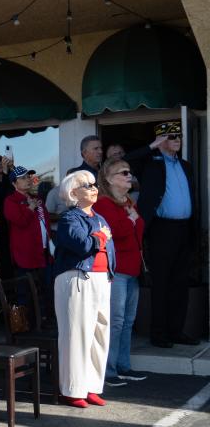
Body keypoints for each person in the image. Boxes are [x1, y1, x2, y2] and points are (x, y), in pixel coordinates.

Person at [124, 121, 198, 347]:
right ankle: (159, 334)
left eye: (179, 136)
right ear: (160, 140)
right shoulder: (150, 163)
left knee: (180, 283)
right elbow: (125, 161)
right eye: (171, 136)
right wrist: (153, 146)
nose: (177, 140)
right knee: (162, 283)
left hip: (184, 229)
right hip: (161, 230)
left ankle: (176, 331)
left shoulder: (185, 165)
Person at [53, 170, 114, 408]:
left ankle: (91, 386)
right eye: (87, 185)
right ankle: (72, 389)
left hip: (100, 280)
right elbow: (82, 245)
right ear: (73, 192)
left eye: (94, 184)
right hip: (78, 279)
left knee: (99, 334)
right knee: (76, 335)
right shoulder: (70, 218)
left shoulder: (99, 217)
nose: (94, 188)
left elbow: (109, 248)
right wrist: (99, 237)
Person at [94, 159, 147, 387]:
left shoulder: (127, 201)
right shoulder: (103, 203)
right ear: (109, 178)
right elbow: (114, 232)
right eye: (123, 172)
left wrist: (132, 221)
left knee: (127, 321)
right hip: (116, 270)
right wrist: (131, 221)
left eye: (129, 171)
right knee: (114, 321)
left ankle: (123, 365)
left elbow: (140, 227)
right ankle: (108, 369)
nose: (129, 175)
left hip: (132, 268)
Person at [3, 166, 53, 318]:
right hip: (25, 254)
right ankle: (27, 324)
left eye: (28, 177)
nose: (28, 180)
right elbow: (20, 221)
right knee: (25, 291)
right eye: (23, 178)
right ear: (14, 183)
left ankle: (45, 319)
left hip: (43, 251)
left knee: (46, 288)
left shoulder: (37, 198)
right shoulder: (10, 201)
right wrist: (30, 209)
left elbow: (45, 221)